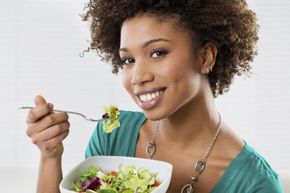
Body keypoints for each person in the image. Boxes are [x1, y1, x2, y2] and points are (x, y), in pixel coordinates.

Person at [25, 0, 283, 193]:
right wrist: (50, 155)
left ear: (205, 57)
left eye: (158, 52)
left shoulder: (254, 184)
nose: (137, 77)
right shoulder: (111, 135)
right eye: (128, 59)